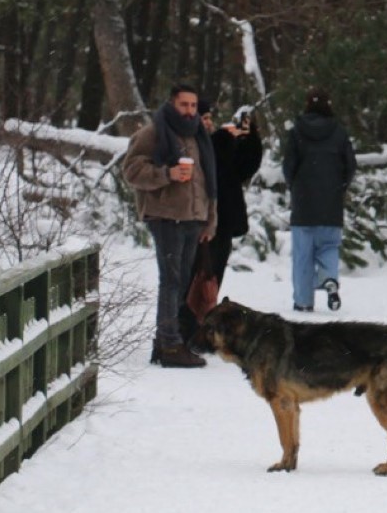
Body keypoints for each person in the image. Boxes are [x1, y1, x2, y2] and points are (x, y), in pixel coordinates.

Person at [122, 84, 218, 369]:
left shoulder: (199, 134)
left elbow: (209, 182)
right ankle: (170, 345)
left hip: (193, 218)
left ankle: (165, 341)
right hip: (165, 217)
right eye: (184, 105)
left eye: (193, 105)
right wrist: (168, 173)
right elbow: (132, 171)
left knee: (182, 282)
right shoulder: (153, 133)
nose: (189, 110)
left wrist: (209, 219)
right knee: (171, 281)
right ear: (172, 104)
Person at [178, 100, 264, 344]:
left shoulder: (217, 144)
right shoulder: (193, 144)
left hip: (222, 223)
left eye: (209, 118)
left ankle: (202, 331)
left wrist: (251, 140)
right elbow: (209, 170)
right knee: (193, 281)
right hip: (196, 223)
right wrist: (223, 140)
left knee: (210, 281)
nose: (207, 122)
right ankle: (185, 331)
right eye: (202, 118)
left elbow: (240, 170)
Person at [283, 87, 357, 313]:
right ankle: (330, 278)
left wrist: (295, 187)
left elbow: (288, 167)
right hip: (331, 204)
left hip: (304, 204)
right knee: (329, 247)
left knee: (303, 256)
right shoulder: (339, 133)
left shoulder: (297, 132)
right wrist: (339, 187)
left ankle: (303, 302)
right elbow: (350, 166)